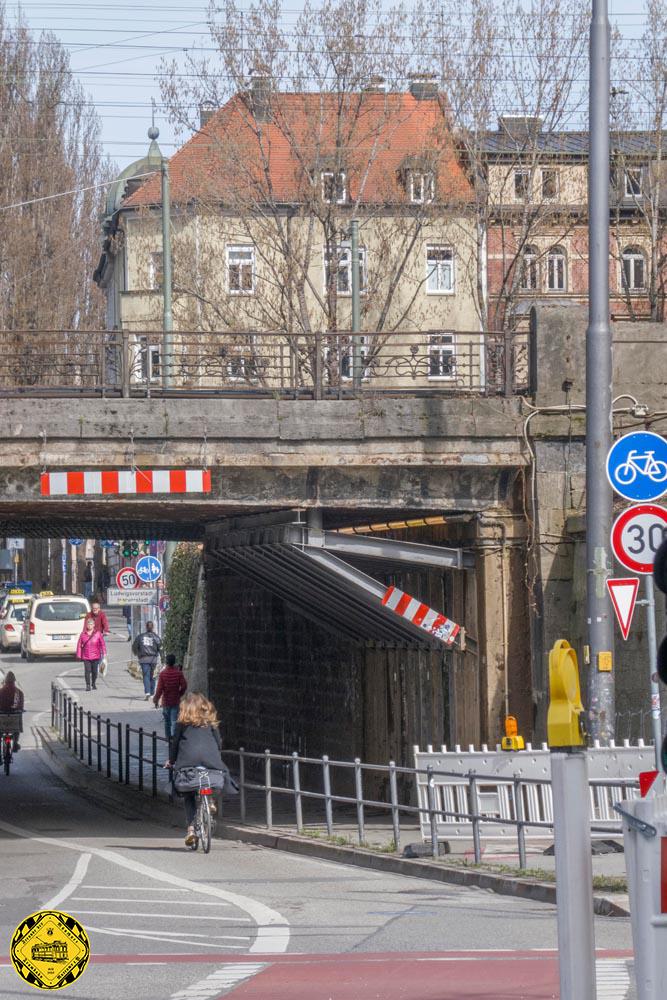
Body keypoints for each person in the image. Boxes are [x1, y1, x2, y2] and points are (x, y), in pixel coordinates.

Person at [167, 692, 224, 847]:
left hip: (189, 762)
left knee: (189, 794)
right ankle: (211, 800)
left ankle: (191, 829)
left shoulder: (181, 724)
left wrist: (171, 761)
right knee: (217, 779)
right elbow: (219, 743)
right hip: (210, 762)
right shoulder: (210, 723)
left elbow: (175, 744)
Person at [153, 653, 187, 742]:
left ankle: (168, 738)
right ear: (174, 662)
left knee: (167, 722)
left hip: (166, 701)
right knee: (174, 720)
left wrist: (156, 700)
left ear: (166, 662)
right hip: (175, 700)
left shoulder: (163, 674)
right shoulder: (179, 673)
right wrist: (180, 694)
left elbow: (159, 689)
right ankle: (175, 737)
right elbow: (184, 686)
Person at [132, 620, 162, 700]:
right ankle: (152, 693)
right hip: (153, 659)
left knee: (146, 675)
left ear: (146, 627)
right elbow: (160, 648)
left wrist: (137, 654)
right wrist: (162, 659)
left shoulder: (140, 637)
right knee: (153, 675)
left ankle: (147, 692)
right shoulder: (156, 637)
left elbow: (134, 647)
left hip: (143, 659)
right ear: (153, 627)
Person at [76, 617, 107, 691]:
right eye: (88, 624)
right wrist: (79, 655)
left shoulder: (98, 634)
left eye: (91, 624)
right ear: (86, 625)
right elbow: (79, 645)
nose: (89, 626)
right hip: (86, 656)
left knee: (94, 672)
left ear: (93, 625)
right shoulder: (83, 634)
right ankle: (88, 685)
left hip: (96, 656)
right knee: (87, 671)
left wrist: (104, 653)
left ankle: (93, 683)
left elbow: (102, 644)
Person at [0, 671, 24, 750]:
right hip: (14, 715)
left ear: (5, 681)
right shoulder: (19, 692)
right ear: (14, 681)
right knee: (18, 720)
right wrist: (20, 709)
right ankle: (15, 743)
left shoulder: (1, 691)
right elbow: (20, 706)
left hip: (2, 714)